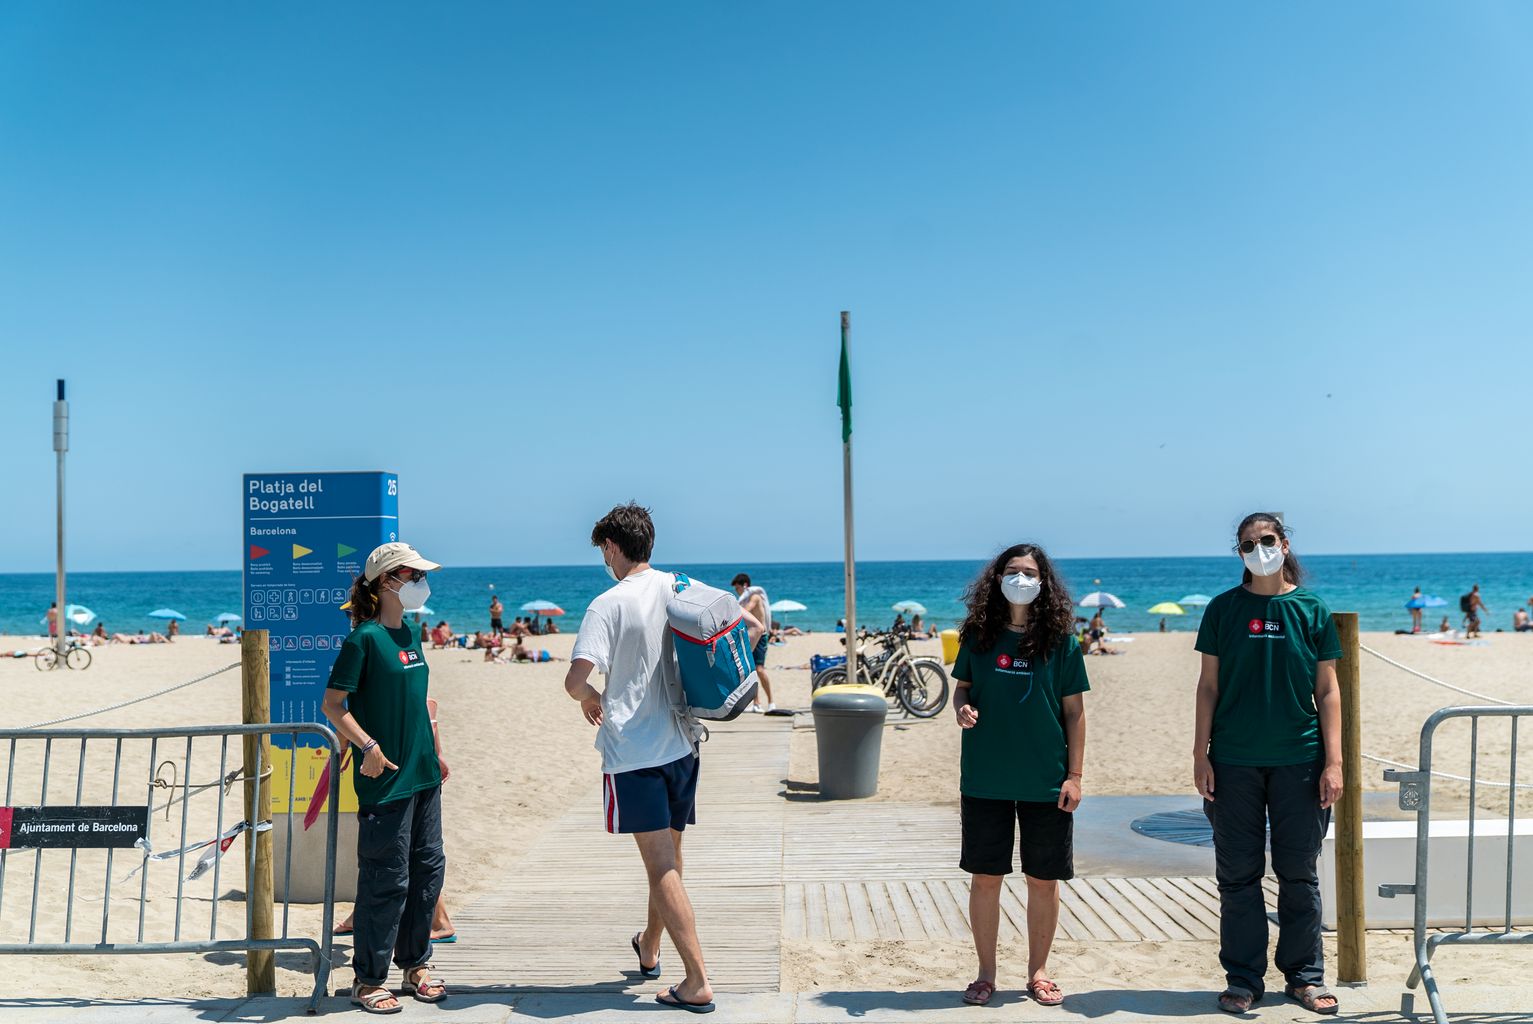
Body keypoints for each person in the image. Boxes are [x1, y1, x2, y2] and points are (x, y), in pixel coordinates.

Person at [564, 503, 759, 1014]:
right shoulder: (679, 586)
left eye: (603, 550)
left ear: (612, 547)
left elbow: (575, 679)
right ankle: (650, 946)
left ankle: (697, 980)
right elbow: (745, 625)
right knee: (669, 859)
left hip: (635, 751)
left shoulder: (607, 604)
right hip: (683, 743)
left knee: (660, 866)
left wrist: (589, 696)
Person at [1193, 513, 1343, 1016]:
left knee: (1299, 874)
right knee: (1238, 876)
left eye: (1267, 540)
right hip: (1233, 761)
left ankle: (1305, 977)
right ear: (1238, 552)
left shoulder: (1311, 609)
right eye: (1248, 544)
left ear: (1284, 543)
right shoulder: (1223, 608)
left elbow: (1328, 690)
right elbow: (1208, 686)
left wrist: (1334, 762)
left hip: (1300, 760)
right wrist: (1200, 754)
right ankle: (1243, 979)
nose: (1259, 549)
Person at [951, 543, 1087, 1008]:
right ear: (997, 578)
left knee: (1043, 880)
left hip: (1046, 780)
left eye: (1030, 572)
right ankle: (985, 973)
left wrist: (1075, 776)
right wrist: (961, 708)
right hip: (985, 777)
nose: (1021, 579)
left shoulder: (1062, 640)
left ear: (1044, 582)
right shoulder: (978, 635)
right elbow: (963, 688)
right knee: (985, 877)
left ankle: (1038, 972)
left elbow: (1075, 713)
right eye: (1012, 571)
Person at [321, 542, 447, 1013]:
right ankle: (368, 979)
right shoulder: (364, 639)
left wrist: (437, 752)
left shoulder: (411, 632)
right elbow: (333, 705)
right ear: (389, 581)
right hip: (387, 777)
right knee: (386, 878)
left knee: (427, 872)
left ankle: (415, 965)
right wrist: (367, 746)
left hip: (423, 774)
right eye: (415, 575)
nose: (421, 583)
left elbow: (419, 701)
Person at [335, 695, 457, 946]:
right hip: (410, 769)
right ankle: (437, 920)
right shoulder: (414, 686)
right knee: (410, 850)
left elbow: (425, 710)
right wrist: (438, 754)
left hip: (395, 773)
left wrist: (342, 746)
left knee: (401, 850)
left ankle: (440, 921)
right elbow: (429, 715)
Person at [731, 573, 777, 713]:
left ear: (745, 585)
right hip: (749, 636)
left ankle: (771, 702)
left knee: (760, 670)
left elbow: (747, 609)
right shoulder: (743, 600)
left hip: (761, 637)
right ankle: (756, 703)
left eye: (737, 588)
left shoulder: (755, 597)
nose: (737, 592)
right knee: (751, 671)